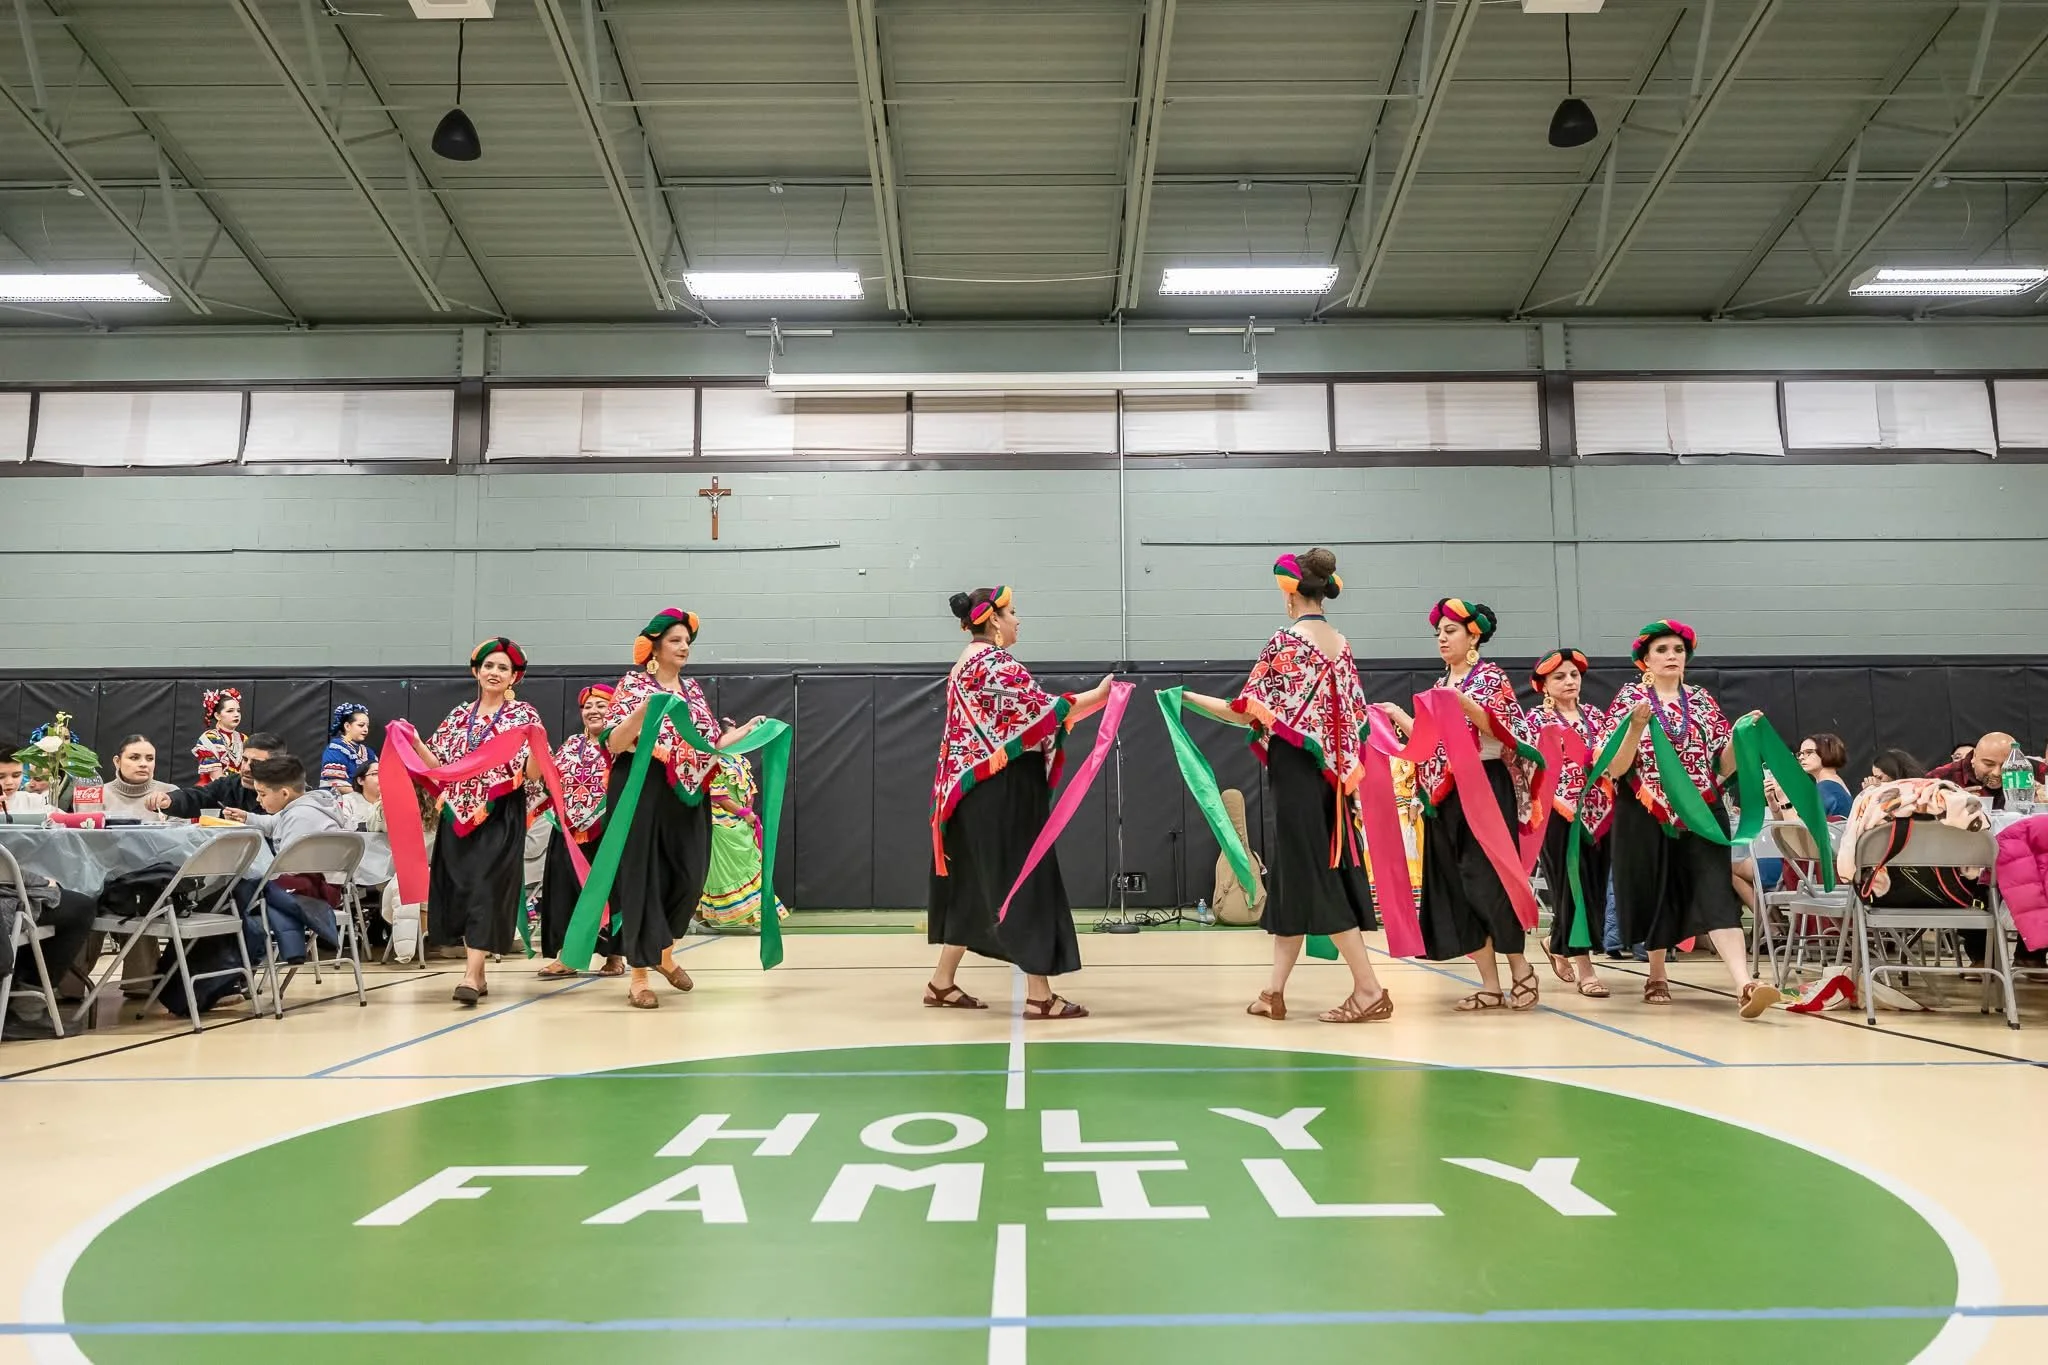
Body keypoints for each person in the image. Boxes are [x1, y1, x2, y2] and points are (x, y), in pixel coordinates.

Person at [1179, 550, 1390, 1023]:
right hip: (1332, 782)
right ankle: (1273, 992)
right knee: (1295, 882)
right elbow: (1354, 720)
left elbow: (1244, 711)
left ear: (1290, 593)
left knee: (1316, 878)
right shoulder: (1342, 645)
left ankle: (1369, 989)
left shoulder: (1286, 643)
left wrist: (1186, 697)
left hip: (1296, 776)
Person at [927, 585, 1113, 1020]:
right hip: (1002, 790)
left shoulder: (966, 664)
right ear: (993, 619)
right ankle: (1040, 996)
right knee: (1026, 879)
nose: (1018, 619)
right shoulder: (993, 664)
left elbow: (1026, 720)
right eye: (1012, 612)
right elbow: (1043, 712)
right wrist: (1101, 696)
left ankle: (941, 983)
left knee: (973, 885)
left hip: (971, 794)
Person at [1603, 620, 1781, 1018]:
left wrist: (1742, 737)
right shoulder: (1629, 699)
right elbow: (1616, 767)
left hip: (1702, 810)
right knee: (1656, 890)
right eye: (1662, 650)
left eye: (1678, 650)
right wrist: (1635, 727)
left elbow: (1723, 764)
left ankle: (1744, 984)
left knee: (1715, 889)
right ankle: (1657, 974)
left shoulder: (1701, 700)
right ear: (1645, 660)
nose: (1672, 656)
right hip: (1646, 810)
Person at [1378, 599, 1540, 1013]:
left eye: (1450, 631)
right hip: (1444, 796)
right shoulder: (1441, 683)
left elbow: (1505, 732)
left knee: (1488, 882)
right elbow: (1432, 742)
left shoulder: (1490, 678)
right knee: (1457, 888)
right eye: (1439, 633)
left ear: (1473, 636)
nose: (1442, 639)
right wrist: (1396, 714)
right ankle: (1490, 984)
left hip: (1484, 786)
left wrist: (1462, 703)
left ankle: (1521, 970)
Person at [600, 609, 767, 1010]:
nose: (684, 647)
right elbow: (614, 743)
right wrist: (646, 709)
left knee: (689, 875)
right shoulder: (633, 685)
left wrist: (742, 733)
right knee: (642, 877)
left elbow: (705, 744)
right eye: (675, 640)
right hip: (642, 788)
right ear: (654, 647)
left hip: (687, 794)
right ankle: (640, 977)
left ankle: (663, 952)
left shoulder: (692, 689)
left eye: (686, 641)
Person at [404, 638, 545, 1008]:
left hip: (501, 812)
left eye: (503, 668)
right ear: (476, 671)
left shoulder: (524, 716)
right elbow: (439, 767)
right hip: (458, 814)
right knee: (463, 888)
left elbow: (532, 774)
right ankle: (477, 975)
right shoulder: (458, 716)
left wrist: (538, 748)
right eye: (489, 666)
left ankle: (470, 974)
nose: (494, 672)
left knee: (486, 888)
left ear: (514, 677)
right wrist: (416, 742)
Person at [1528, 648, 1612, 998]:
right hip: (1556, 813)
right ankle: (1586, 970)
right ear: (1544, 685)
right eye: (1559, 677)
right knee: (1570, 886)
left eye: (1574, 675)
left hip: (1599, 813)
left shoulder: (1595, 716)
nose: (1569, 681)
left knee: (1594, 889)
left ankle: (1555, 941)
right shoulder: (1536, 719)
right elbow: (1526, 765)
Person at [535, 684, 624, 979]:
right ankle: (567, 956)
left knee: (608, 892)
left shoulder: (621, 745)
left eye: (601, 705)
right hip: (568, 831)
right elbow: (549, 780)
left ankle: (614, 955)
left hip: (607, 830)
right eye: (588, 707)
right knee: (565, 891)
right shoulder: (571, 745)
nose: (593, 711)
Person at [242, 754, 344, 966]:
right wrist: (246, 818)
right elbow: (274, 823)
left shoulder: (299, 818)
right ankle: (292, 948)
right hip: (327, 887)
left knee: (244, 889)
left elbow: (287, 866)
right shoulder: (311, 805)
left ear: (284, 793)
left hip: (310, 890)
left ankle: (258, 957)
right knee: (258, 890)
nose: (258, 800)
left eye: (262, 794)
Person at [698, 734, 791, 935]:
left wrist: (747, 811)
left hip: (741, 825)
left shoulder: (740, 759)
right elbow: (718, 796)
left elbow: (750, 790)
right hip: (721, 824)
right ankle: (701, 917)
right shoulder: (716, 760)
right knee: (722, 874)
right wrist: (743, 812)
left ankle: (758, 916)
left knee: (750, 867)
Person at [152, 732, 286, 821]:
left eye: (256, 763)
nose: (246, 768)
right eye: (244, 760)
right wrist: (170, 800)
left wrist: (247, 820)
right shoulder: (231, 784)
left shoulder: (290, 796)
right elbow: (198, 796)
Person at [1929, 733, 2045, 810]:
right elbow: (1921, 813)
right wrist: (1948, 802)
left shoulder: (2029, 769)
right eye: (1988, 764)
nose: (1997, 773)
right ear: (1974, 757)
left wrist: (2042, 801)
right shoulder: (1943, 776)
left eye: (2006, 766)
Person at [101, 736, 176, 819]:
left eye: (150, 759)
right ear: (117, 761)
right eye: (134, 758)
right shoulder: (97, 795)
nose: (143, 764)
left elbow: (182, 827)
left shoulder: (171, 793)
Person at [192, 688, 245, 784]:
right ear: (217, 716)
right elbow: (217, 778)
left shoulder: (243, 739)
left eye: (238, 711)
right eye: (230, 711)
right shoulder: (209, 738)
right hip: (215, 789)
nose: (236, 714)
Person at [322, 704, 374, 796]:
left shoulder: (368, 752)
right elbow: (336, 785)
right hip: (340, 801)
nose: (366, 730)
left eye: (367, 726)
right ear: (347, 726)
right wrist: (364, 796)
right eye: (361, 725)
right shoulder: (335, 749)